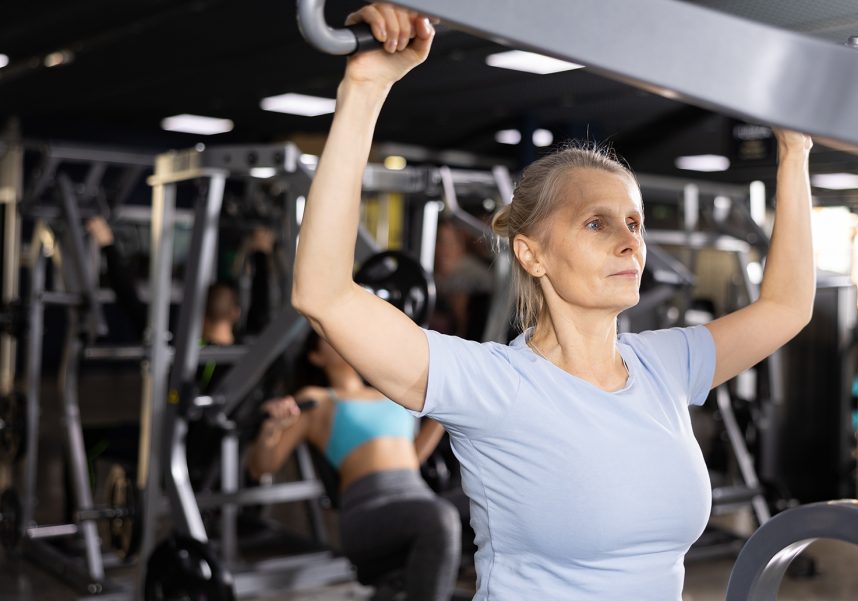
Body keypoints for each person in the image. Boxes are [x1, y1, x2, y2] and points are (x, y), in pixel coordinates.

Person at [291, 4, 814, 599]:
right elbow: (324, 293)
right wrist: (364, 87)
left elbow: (787, 307)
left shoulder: (665, 366)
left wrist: (793, 150)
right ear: (531, 254)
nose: (629, 241)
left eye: (635, 223)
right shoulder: (493, 385)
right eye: (597, 223)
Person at [246, 330, 460, 601]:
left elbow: (411, 458)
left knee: (495, 500)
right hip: (370, 511)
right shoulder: (316, 400)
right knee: (441, 518)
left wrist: (445, 411)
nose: (344, 336)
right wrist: (270, 430)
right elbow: (260, 467)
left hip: (418, 498)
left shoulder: (391, 391)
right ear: (315, 357)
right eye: (330, 336)